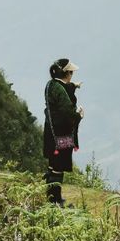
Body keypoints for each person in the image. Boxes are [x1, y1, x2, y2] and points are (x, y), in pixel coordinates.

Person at [43, 58, 84, 206]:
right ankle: (55, 201)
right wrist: (79, 115)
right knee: (58, 168)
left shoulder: (51, 85)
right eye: (71, 72)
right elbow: (68, 113)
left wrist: (74, 86)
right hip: (61, 136)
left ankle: (51, 197)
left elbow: (63, 88)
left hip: (51, 133)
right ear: (67, 73)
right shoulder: (60, 90)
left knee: (53, 165)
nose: (72, 75)